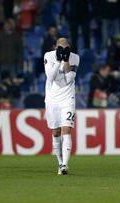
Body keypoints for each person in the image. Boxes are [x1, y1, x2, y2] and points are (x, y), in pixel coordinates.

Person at [44, 38, 79, 175]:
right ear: (56, 47)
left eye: (66, 48)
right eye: (60, 48)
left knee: (67, 129)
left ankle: (65, 165)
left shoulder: (75, 58)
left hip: (67, 99)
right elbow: (50, 77)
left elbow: (69, 79)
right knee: (56, 132)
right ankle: (59, 162)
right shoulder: (49, 55)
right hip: (52, 100)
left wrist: (65, 61)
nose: (63, 50)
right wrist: (58, 60)